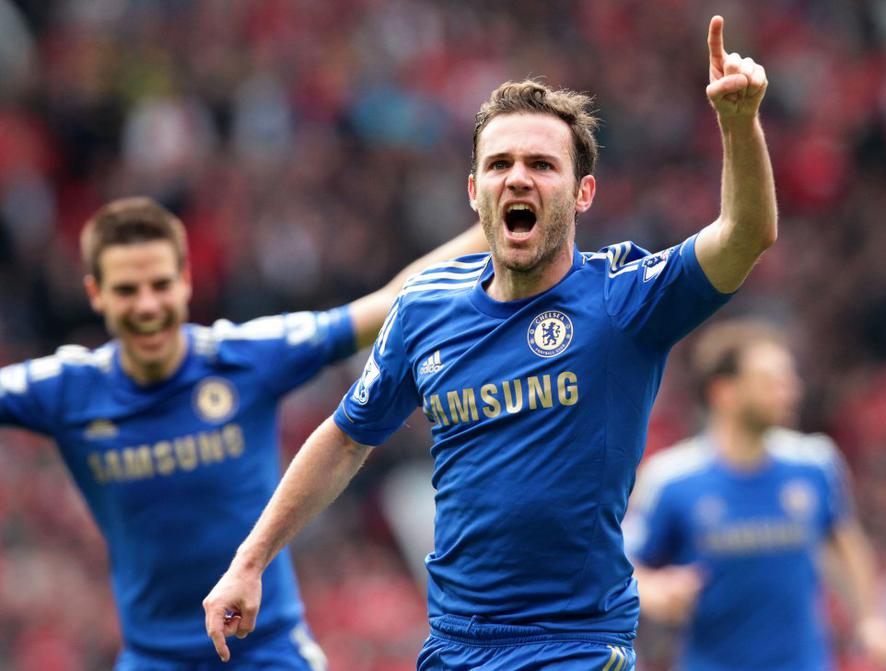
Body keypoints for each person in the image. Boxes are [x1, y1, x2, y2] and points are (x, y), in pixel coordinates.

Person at [204, 16, 775, 670]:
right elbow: (345, 438)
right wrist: (249, 561)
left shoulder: (623, 297)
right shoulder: (425, 306)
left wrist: (739, 124)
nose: (518, 178)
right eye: (500, 164)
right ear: (475, 192)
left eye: (542, 165)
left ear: (583, 192)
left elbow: (745, 235)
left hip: (577, 645)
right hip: (456, 646)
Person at [0, 195, 487, 670]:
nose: (147, 305)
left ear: (185, 280)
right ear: (96, 294)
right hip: (153, 659)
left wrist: (494, 227)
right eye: (127, 290)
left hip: (268, 652)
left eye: (160, 285)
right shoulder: (68, 388)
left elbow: (391, 302)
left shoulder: (241, 356)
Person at [623, 319, 886, 670]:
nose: (790, 391)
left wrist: (868, 620)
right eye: (770, 381)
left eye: (789, 380)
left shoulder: (815, 464)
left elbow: (843, 542)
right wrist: (655, 592)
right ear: (723, 392)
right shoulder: (672, 479)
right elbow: (624, 565)